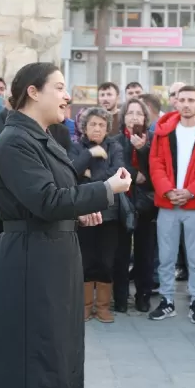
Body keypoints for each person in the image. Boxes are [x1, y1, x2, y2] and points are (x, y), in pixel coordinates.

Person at [0, 62, 131, 388]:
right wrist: (106, 191)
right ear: (32, 92)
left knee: (59, 353)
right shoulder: (13, 141)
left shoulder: (46, 138)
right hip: (25, 260)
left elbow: (56, 199)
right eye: (60, 87)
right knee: (13, 354)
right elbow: (44, 199)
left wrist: (80, 210)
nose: (67, 96)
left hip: (58, 256)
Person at [147, 85, 195, 325]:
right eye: (182, 100)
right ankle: (167, 300)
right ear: (175, 103)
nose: (187, 104)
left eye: (192, 99)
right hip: (167, 203)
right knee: (166, 256)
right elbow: (155, 163)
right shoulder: (164, 131)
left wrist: (191, 192)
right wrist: (168, 191)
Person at [71, 108, 125, 322]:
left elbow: (117, 174)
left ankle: (102, 307)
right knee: (85, 259)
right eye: (93, 124)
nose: (97, 128)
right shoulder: (76, 148)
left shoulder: (115, 147)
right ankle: (85, 306)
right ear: (84, 127)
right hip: (83, 211)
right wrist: (89, 155)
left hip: (109, 213)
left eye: (102, 125)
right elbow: (70, 172)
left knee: (105, 260)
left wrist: (90, 176)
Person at [112, 98, 156, 313]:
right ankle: (120, 298)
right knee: (120, 253)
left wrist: (143, 150)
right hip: (122, 201)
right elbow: (115, 164)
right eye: (130, 113)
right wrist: (134, 172)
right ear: (124, 116)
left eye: (139, 113)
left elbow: (157, 170)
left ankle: (143, 295)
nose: (135, 117)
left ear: (145, 118)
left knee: (144, 253)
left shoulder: (153, 141)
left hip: (146, 203)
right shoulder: (116, 140)